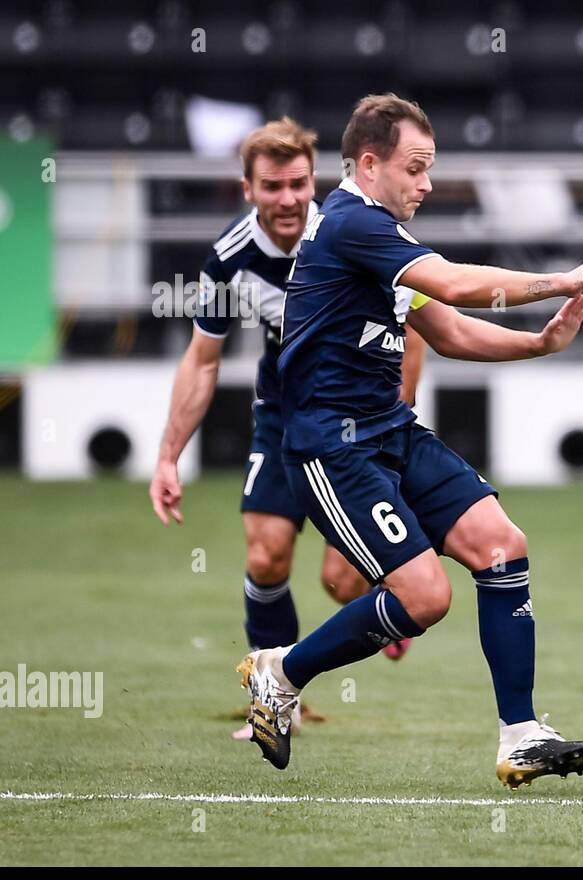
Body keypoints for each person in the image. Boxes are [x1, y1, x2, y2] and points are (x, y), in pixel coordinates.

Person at [237, 93, 583, 789]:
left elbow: (450, 329)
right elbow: (458, 285)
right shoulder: (349, 224)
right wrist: (566, 278)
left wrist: (539, 344)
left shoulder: (383, 238)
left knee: (502, 544)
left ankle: (521, 734)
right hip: (329, 447)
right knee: (426, 598)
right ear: (369, 165)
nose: (427, 183)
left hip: (390, 430)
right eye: (417, 167)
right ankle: (280, 672)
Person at [148, 118, 422, 744]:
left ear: (313, 182)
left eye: (298, 183)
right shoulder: (227, 260)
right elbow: (202, 361)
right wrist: (168, 457)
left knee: (342, 580)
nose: (288, 199)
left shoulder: (353, 231)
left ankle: (394, 603)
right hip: (283, 415)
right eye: (272, 186)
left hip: (359, 417)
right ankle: (277, 701)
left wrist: (396, 416)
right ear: (248, 188)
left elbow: (415, 328)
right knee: (266, 553)